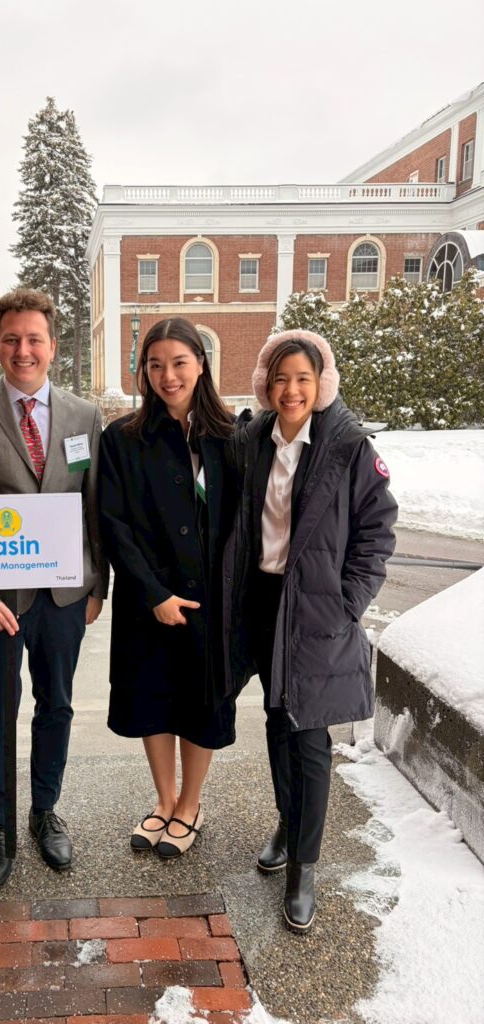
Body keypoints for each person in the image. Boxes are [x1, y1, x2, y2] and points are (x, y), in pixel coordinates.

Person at [223, 329, 397, 932]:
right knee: (278, 722)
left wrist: (348, 602)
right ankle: (287, 822)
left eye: (303, 378)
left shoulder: (347, 445)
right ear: (265, 385)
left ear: (321, 383)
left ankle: (305, 865)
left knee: (310, 736)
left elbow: (377, 530)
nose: (291, 390)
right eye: (281, 379)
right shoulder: (253, 440)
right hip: (265, 602)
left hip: (319, 608)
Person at [0, 287, 108, 888]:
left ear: (53, 346)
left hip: (64, 596)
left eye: (34, 338)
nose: (23, 350)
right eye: (12, 339)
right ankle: (0, 824)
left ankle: (43, 811)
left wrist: (98, 584)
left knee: (56, 706)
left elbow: (94, 506)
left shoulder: (85, 417)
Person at [98, 317, 240, 859]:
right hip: (148, 599)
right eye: (155, 365)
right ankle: (164, 799)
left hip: (211, 599)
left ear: (201, 364)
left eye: (179, 362)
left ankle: (190, 804)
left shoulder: (232, 436)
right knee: (152, 698)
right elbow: (113, 523)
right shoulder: (123, 438)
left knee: (202, 703)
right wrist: (153, 593)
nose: (168, 376)